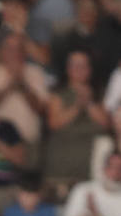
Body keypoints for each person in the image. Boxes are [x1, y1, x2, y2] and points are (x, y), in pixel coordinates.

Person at [43, 48, 109, 199]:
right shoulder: (58, 94)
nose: (79, 70)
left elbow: (106, 124)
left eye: (83, 66)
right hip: (61, 171)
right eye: (74, 65)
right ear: (68, 69)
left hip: (90, 171)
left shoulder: (99, 94)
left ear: (90, 70)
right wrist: (77, 106)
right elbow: (54, 123)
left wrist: (89, 103)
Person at [0, 31, 49, 153]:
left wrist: (22, 84)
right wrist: (10, 84)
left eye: (19, 49)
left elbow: (41, 109)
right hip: (0, 144)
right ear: (2, 51)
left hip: (30, 143)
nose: (15, 53)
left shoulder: (36, 73)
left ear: (24, 52)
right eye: (10, 49)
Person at [49, 0, 121, 86]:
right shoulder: (66, 41)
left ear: (97, 12)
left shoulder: (109, 37)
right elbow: (61, 72)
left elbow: (112, 68)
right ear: (76, 12)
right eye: (83, 9)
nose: (87, 13)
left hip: (101, 87)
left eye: (91, 9)